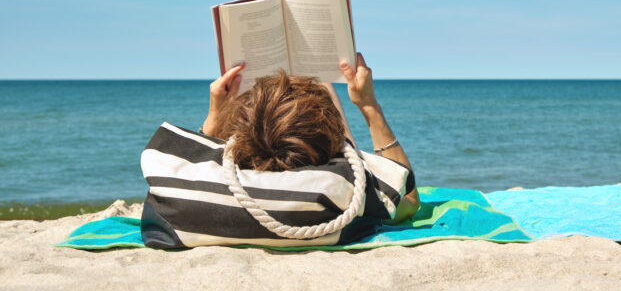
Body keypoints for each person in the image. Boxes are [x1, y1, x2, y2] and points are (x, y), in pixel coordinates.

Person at [140, 53, 419, 249]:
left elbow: (193, 165)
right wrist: (369, 106)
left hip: (269, 155)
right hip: (315, 161)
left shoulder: (183, 197)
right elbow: (408, 199)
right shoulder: (346, 193)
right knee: (322, 87)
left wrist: (215, 117)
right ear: (329, 150)